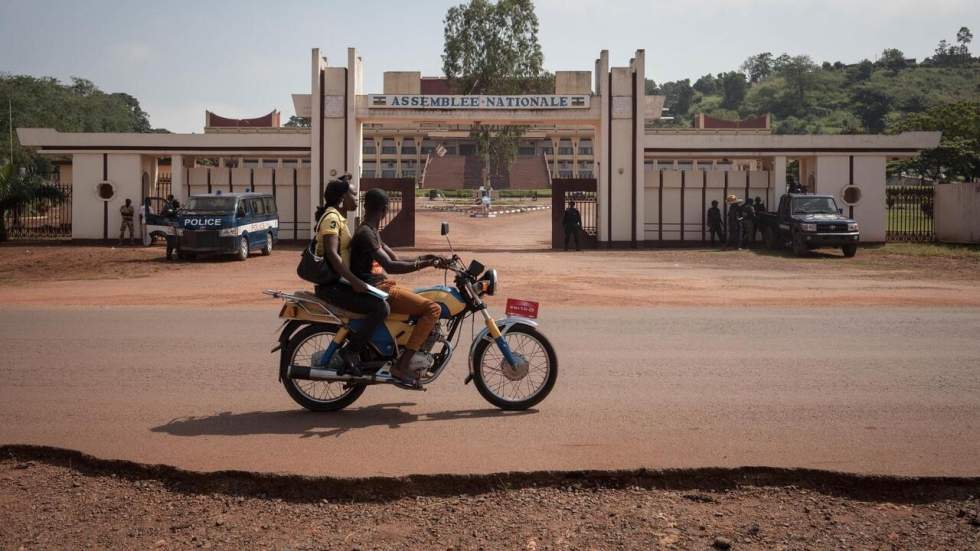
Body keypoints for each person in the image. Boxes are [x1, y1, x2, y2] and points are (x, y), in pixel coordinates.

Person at [350, 188, 444, 386]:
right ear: (385, 210)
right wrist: (424, 264)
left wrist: (427, 258)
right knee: (433, 308)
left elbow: (396, 258)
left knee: (423, 298)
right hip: (379, 289)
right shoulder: (366, 234)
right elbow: (391, 266)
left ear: (366, 207)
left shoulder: (371, 231)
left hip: (381, 285)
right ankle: (402, 365)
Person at [313, 176, 389, 377]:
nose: (357, 199)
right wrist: (355, 282)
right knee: (381, 308)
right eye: (354, 194)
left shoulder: (340, 218)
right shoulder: (331, 218)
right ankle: (351, 351)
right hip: (332, 286)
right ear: (342, 196)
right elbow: (332, 253)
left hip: (339, 282)